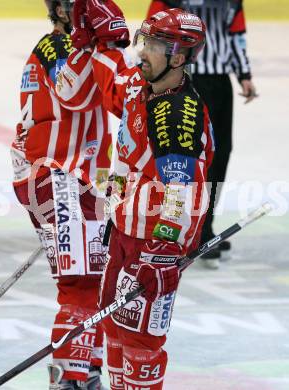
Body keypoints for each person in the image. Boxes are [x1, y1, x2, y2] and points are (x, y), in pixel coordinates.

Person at [71, 2, 214, 389]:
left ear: (179, 56)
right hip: (124, 231)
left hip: (153, 243)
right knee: (113, 327)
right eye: (143, 40)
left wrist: (163, 252)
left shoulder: (177, 113)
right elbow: (113, 90)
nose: (141, 51)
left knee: (140, 341)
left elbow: (183, 191)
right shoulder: (141, 85)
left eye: (152, 45)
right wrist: (102, 43)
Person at [11, 1, 112, 388]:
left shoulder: (78, 45)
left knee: (100, 279)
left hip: (79, 177)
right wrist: (98, 45)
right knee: (81, 283)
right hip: (56, 177)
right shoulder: (55, 47)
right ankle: (67, 379)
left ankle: (87, 371)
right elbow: (78, 96)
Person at [147, 0, 258, 269]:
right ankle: (184, 230)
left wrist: (243, 73)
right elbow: (153, 33)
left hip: (219, 82)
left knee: (218, 156)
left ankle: (204, 228)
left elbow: (236, 33)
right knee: (183, 159)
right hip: (185, 80)